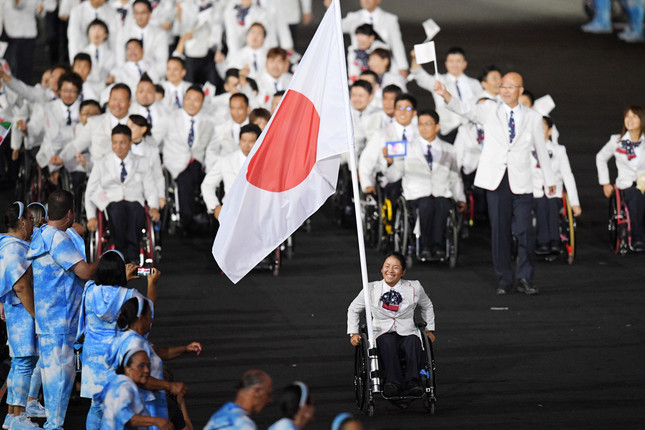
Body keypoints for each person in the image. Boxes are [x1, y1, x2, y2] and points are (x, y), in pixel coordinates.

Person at [434, 72, 556, 295]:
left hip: (522, 182)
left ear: (520, 89)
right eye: (503, 86)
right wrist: (446, 95)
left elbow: (541, 150)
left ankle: (525, 278)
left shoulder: (533, 117)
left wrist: (550, 180)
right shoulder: (490, 110)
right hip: (496, 181)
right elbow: (464, 109)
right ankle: (504, 279)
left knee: (525, 231)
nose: (506, 90)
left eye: (511, 86)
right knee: (499, 232)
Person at [27, 190, 99, 430]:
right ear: (70, 214)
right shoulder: (57, 239)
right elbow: (86, 272)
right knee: (59, 388)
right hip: (60, 323)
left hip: (49, 322)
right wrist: (107, 258)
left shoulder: (42, 233)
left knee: (54, 387)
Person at [77, 250, 157, 429]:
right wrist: (151, 283)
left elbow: (106, 293)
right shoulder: (131, 296)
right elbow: (147, 314)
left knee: (96, 406)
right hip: (117, 357)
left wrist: (121, 280)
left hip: (92, 358)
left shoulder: (89, 291)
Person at [347, 252, 435, 397]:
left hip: (407, 331)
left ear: (403, 272)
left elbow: (427, 305)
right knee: (388, 341)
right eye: (387, 266)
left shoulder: (414, 287)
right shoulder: (370, 288)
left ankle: (413, 382)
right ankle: (392, 382)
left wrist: (430, 329)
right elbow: (353, 309)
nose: (390, 271)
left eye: (396, 267)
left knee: (413, 341)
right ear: (382, 270)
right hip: (381, 331)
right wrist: (353, 333)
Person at [385, 109, 466, 260]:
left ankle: (437, 245)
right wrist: (390, 163)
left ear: (437, 127)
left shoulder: (449, 149)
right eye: (420, 124)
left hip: (441, 192)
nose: (423, 127)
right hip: (416, 194)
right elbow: (394, 175)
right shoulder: (405, 147)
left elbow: (455, 176)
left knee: (442, 204)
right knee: (427, 204)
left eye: (428, 124)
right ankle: (424, 245)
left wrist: (461, 197)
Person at [109, 296, 200, 426]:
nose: (151, 320)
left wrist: (185, 349)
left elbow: (158, 352)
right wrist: (170, 386)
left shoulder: (130, 337)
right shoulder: (134, 344)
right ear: (140, 318)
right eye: (149, 315)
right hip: (144, 406)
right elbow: (138, 377)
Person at [84, 124, 160, 263]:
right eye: (115, 143)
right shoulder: (101, 163)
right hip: (111, 202)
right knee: (118, 210)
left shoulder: (142, 162)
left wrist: (154, 206)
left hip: (135, 201)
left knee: (136, 209)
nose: (118, 147)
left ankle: (132, 256)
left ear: (130, 143)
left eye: (122, 143)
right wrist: (91, 217)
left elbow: (150, 188)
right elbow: (91, 190)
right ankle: (121, 254)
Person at [0, 202, 38, 430]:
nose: (33, 223)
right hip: (22, 312)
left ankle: (12, 416)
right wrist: (36, 314)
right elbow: (21, 286)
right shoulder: (15, 249)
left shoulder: (8, 244)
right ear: (22, 221)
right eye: (31, 219)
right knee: (23, 364)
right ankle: (18, 417)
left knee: (19, 364)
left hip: (16, 311)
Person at [596, 105, 645, 251]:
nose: (629, 120)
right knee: (636, 195)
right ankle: (637, 238)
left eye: (634, 116)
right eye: (627, 116)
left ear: (641, 120)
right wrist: (605, 183)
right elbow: (600, 157)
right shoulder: (616, 141)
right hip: (628, 184)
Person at [410, 47, 482, 143]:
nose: (454, 64)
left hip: (471, 131)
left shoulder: (474, 84)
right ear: (446, 64)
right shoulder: (439, 81)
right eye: (451, 61)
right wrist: (415, 58)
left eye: (458, 61)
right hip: (447, 131)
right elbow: (419, 74)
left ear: (464, 64)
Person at [532, 117, 581, 256]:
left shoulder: (559, 150)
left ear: (550, 131)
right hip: (534, 192)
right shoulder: (526, 149)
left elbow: (568, 176)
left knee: (552, 204)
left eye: (541, 127)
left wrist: (574, 202)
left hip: (555, 193)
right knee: (541, 203)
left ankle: (554, 241)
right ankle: (543, 241)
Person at [96, 346, 175, 430]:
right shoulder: (123, 387)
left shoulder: (134, 387)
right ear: (128, 369)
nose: (146, 370)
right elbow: (123, 416)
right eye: (141, 366)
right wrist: (156, 421)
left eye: (148, 365)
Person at [201, 123, 261, 219]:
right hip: (231, 212)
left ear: (259, 141)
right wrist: (215, 206)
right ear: (239, 141)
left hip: (258, 212)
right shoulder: (226, 161)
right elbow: (207, 184)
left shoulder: (266, 162)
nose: (247, 145)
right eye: (244, 141)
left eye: (251, 141)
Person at [204, 369, 273, 430]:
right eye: (268, 394)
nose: (270, 400)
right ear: (257, 391)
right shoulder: (243, 425)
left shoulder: (218, 417)